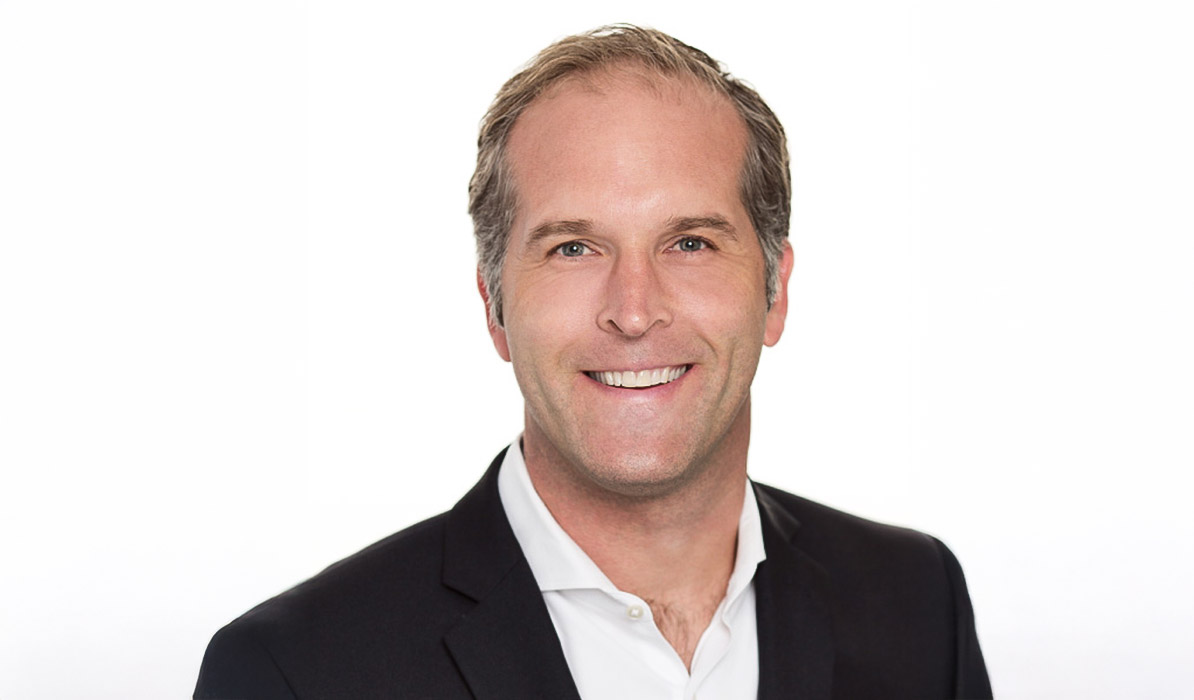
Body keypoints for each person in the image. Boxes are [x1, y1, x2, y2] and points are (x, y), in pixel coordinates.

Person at [195, 24, 992, 700]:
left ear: (774, 290)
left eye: (690, 243)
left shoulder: (917, 605)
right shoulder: (296, 673)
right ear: (494, 304)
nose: (635, 309)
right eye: (573, 247)